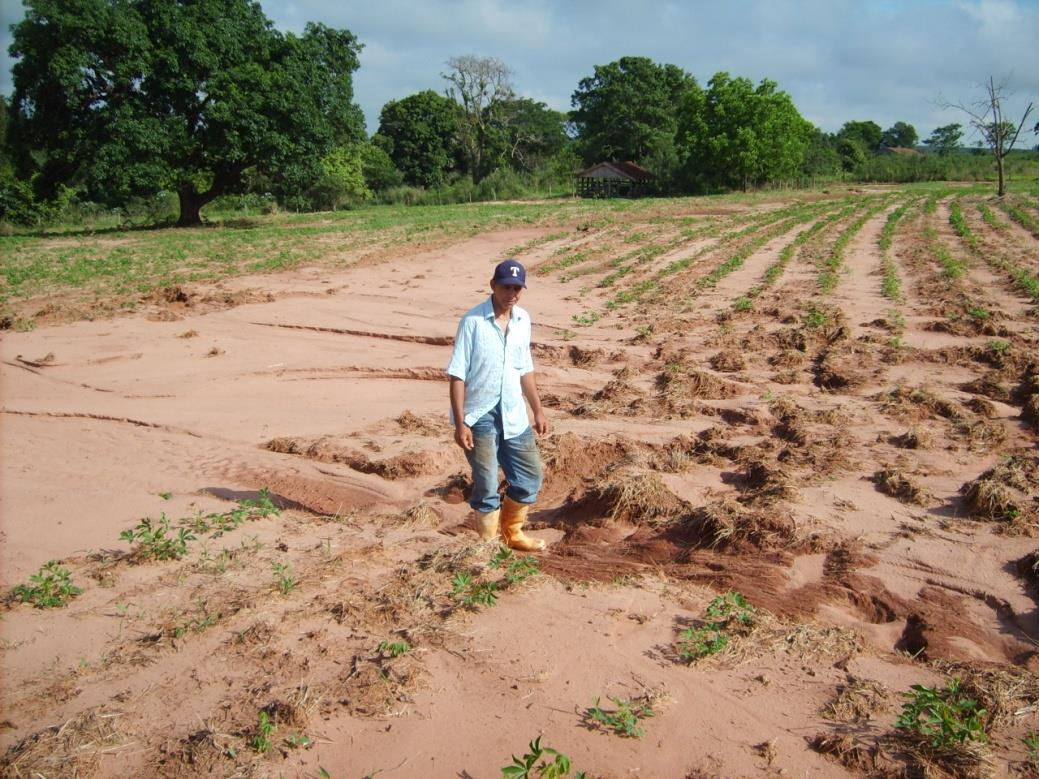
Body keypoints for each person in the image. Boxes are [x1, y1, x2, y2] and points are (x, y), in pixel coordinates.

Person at [447, 259, 549, 551]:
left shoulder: (523, 320)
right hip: (479, 415)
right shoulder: (473, 322)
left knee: (530, 477)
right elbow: (457, 375)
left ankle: (512, 534)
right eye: (506, 286)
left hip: (513, 412)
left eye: (517, 288)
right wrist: (461, 421)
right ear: (493, 286)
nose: (511, 293)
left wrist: (537, 409)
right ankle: (489, 545)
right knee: (487, 482)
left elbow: (524, 368)